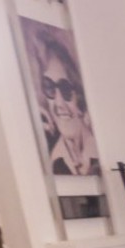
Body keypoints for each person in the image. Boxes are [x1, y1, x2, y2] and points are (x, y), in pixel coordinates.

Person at [26, 25, 98, 176]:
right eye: (50, 88)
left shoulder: (98, 153)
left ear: (79, 95)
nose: (59, 103)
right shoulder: (55, 162)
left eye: (65, 89)